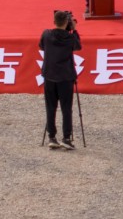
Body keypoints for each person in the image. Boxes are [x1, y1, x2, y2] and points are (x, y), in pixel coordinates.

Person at [40, 10, 82, 150]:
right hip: (66, 77)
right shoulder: (70, 38)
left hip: (49, 76)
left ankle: (52, 137)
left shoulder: (46, 34)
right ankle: (66, 138)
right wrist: (74, 30)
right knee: (66, 108)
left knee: (50, 107)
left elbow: (41, 46)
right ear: (67, 22)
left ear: (54, 22)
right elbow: (78, 46)